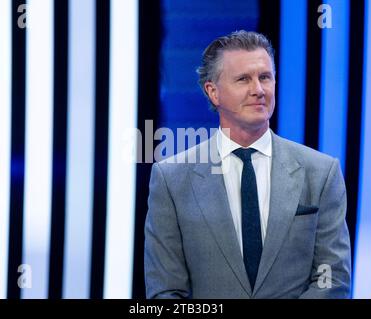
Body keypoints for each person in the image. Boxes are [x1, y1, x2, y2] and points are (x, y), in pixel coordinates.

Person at [144, 30, 351, 299]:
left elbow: (332, 279)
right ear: (213, 92)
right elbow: (165, 291)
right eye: (243, 79)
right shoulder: (171, 179)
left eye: (265, 77)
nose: (258, 90)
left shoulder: (321, 172)